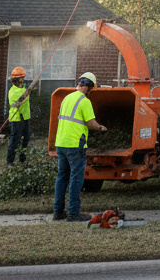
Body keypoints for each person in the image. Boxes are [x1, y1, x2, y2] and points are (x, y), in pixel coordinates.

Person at [52, 72, 107, 222]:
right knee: (76, 178)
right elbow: (91, 124)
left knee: (62, 177)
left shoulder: (66, 98)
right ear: (89, 87)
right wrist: (101, 128)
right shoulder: (84, 101)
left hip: (61, 143)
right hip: (75, 145)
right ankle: (73, 213)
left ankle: (58, 212)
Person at [6, 66, 32, 166]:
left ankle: (22, 159)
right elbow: (24, 96)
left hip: (25, 118)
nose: (23, 80)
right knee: (15, 140)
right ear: (17, 80)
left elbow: (26, 93)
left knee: (26, 139)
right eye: (22, 78)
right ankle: (10, 162)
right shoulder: (13, 91)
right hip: (16, 119)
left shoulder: (22, 89)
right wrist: (30, 88)